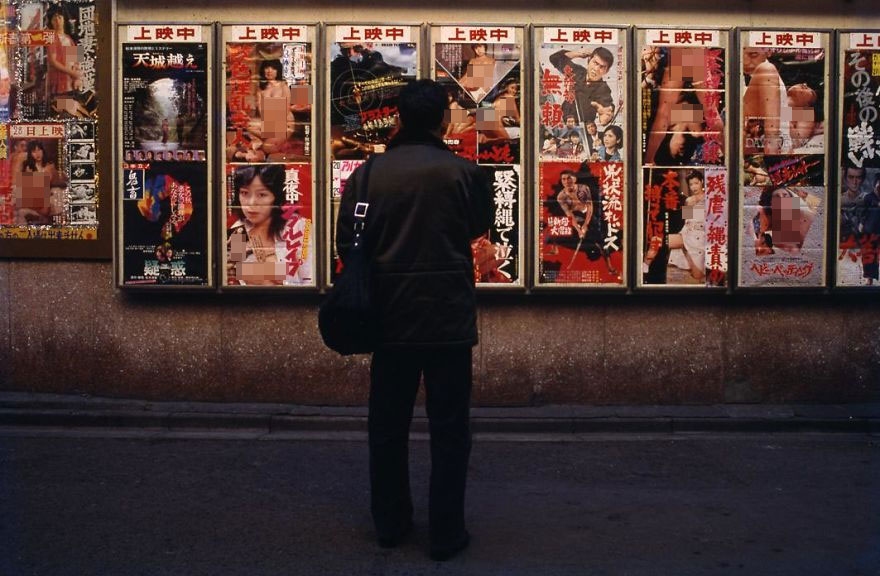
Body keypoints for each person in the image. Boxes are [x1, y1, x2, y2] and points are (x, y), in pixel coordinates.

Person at [335, 79, 491, 561]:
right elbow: (478, 226)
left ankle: (391, 523)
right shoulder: (464, 173)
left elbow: (347, 240)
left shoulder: (368, 175)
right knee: (450, 429)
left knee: (387, 425)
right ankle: (446, 532)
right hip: (447, 318)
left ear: (399, 118)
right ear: (443, 119)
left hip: (388, 318)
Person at [226, 164, 313, 286]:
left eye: (262, 195)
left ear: (277, 196)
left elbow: (310, 279)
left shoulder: (300, 226)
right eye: (244, 193)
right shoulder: (239, 229)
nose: (252, 203)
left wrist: (262, 272)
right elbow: (236, 275)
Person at [553, 169, 617, 275]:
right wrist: (579, 230)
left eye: (569, 178)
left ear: (575, 179)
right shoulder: (561, 197)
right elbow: (570, 214)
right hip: (576, 217)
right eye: (563, 179)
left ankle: (609, 266)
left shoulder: (583, 188)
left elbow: (589, 206)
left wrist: (586, 224)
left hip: (588, 214)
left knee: (600, 240)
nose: (566, 181)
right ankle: (555, 249)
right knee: (559, 230)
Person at [549, 47, 614, 126]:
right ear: (589, 60)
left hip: (581, 129)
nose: (596, 69)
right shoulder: (578, 71)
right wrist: (577, 54)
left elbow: (606, 110)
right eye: (595, 63)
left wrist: (605, 115)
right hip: (561, 123)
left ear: (606, 71)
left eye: (602, 67)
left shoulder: (603, 89)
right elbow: (554, 59)